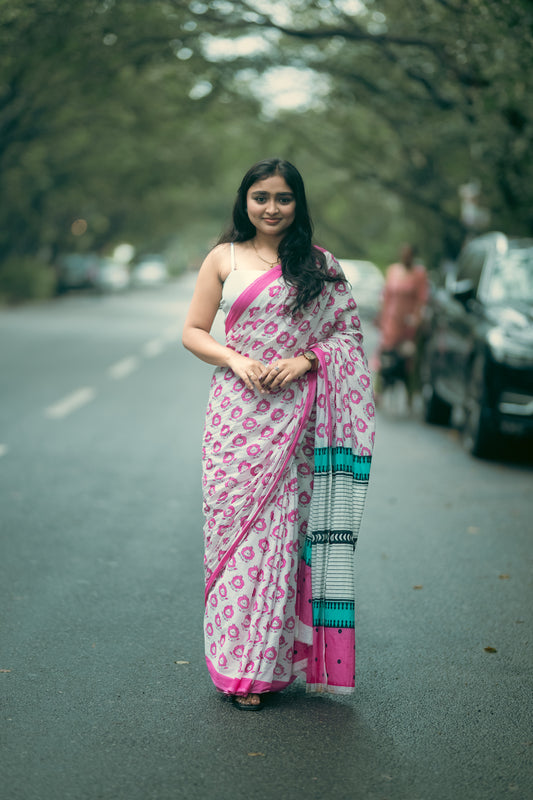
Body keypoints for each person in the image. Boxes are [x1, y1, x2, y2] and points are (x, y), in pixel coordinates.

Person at [182, 158, 375, 710]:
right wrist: (235, 361)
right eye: (260, 197)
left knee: (280, 543)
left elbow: (347, 337)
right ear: (244, 201)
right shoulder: (224, 258)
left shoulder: (320, 265)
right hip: (235, 418)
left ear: (298, 204)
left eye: (283, 198)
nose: (271, 208)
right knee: (234, 539)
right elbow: (193, 331)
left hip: (296, 420)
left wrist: (305, 361)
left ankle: (264, 668)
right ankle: (238, 664)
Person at [375, 244, 429, 407]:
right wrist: (381, 317)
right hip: (391, 321)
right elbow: (386, 296)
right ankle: (379, 391)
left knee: (407, 359)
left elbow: (422, 300)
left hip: (408, 324)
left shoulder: (419, 274)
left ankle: (410, 394)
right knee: (385, 355)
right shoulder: (393, 270)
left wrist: (416, 320)